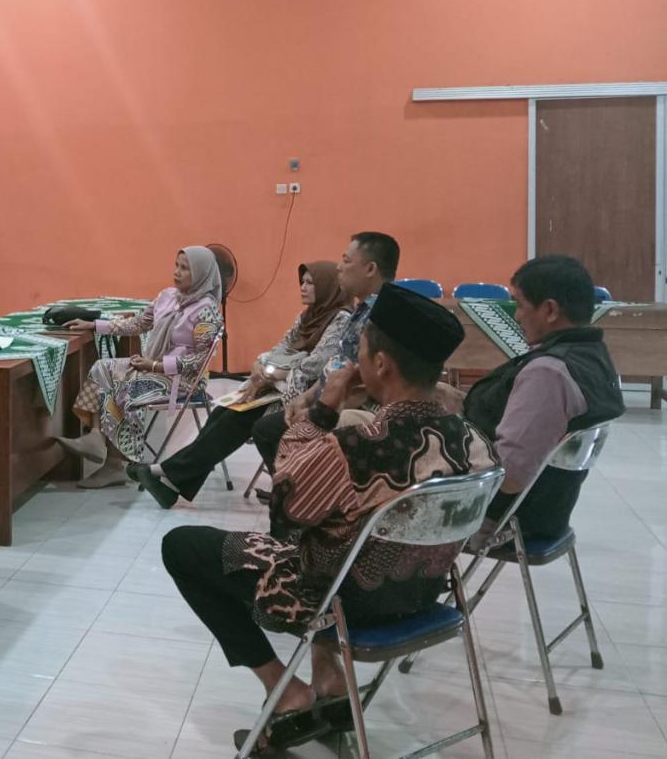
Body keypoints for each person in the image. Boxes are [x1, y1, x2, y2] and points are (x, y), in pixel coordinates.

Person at [161, 284, 496, 751]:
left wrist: (322, 409)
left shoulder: (355, 446)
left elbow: (286, 508)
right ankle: (328, 673)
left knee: (181, 547)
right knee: (337, 531)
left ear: (380, 364)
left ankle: (285, 691)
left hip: (342, 604)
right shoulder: (476, 444)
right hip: (424, 597)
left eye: (361, 350)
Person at [131, 261, 351, 507]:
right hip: (278, 386)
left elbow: (314, 365)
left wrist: (272, 373)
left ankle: (166, 473)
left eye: (310, 283)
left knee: (237, 420)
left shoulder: (340, 319)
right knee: (222, 412)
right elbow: (282, 347)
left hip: (304, 395)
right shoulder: (308, 316)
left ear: (327, 287)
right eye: (303, 282)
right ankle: (171, 482)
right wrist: (260, 365)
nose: (303, 287)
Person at [438, 255, 624, 541]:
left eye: (521, 305)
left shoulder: (548, 373)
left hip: (500, 516)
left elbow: (510, 475)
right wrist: (462, 403)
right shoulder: (592, 355)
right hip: (548, 510)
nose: (517, 316)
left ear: (549, 310)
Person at [56, 246, 224, 488]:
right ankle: (95, 436)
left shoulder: (207, 310)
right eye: (176, 265)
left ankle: (116, 464)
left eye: (185, 268)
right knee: (102, 368)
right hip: (152, 369)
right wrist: (94, 325)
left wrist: (156, 365)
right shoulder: (168, 296)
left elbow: (200, 359)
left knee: (124, 385)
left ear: (201, 274)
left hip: (183, 380)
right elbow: (138, 323)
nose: (177, 272)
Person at [251, 231, 399, 478]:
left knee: (266, 429)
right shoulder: (361, 310)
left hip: (358, 408)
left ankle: (303, 491)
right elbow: (337, 364)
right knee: (251, 418)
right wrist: (307, 397)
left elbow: (364, 383)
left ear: (370, 269)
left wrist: (319, 410)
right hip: (329, 397)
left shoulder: (382, 315)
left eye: (346, 261)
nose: (339, 267)